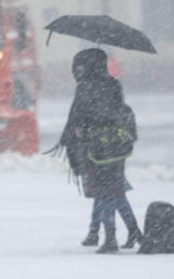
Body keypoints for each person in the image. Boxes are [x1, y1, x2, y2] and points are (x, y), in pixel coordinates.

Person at [59, 48, 142, 254]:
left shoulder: (85, 87)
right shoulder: (113, 83)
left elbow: (78, 117)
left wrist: (77, 132)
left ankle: (110, 238)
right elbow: (116, 110)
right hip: (118, 144)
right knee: (116, 191)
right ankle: (132, 231)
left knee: (104, 192)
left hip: (97, 145)